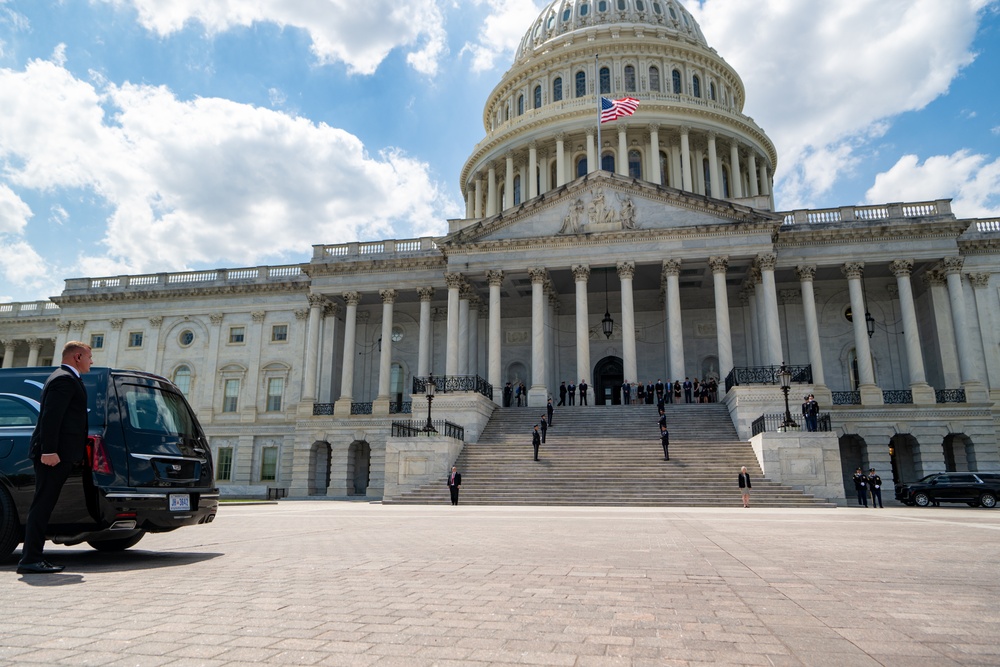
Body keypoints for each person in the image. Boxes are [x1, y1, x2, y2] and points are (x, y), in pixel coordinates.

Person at [18, 341, 93, 575]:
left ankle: (32, 557)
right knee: (42, 505)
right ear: (78, 356)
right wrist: (49, 451)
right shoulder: (63, 379)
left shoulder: (66, 377)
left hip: (60, 454)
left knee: (44, 504)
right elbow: (51, 417)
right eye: (90, 357)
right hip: (53, 455)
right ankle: (30, 559)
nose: (92, 361)